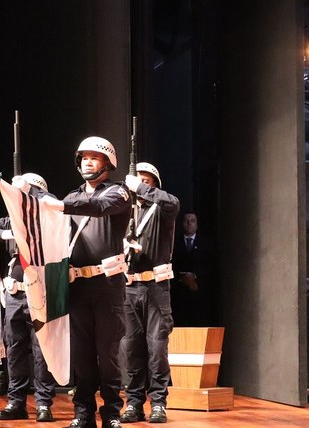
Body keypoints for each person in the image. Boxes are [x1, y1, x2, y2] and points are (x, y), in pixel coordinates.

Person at [42, 136, 131, 428]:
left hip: (107, 285)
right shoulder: (70, 198)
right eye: (84, 157)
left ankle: (112, 414)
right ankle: (83, 412)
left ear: (108, 163)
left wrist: (59, 204)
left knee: (107, 354)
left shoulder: (119, 193)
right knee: (81, 354)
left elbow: (100, 206)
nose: (87, 162)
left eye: (94, 157)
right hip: (78, 285)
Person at [119, 162, 180, 424]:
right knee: (131, 348)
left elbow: (173, 202)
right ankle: (133, 402)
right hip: (129, 285)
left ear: (153, 184)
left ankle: (159, 403)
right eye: (137, 180)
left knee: (157, 347)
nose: (141, 185)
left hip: (156, 286)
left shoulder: (161, 209)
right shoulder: (123, 211)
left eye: (147, 180)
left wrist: (140, 187)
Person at [0, 173, 57, 423]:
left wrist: (30, 191)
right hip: (14, 294)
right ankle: (16, 401)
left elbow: (49, 203)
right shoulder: (13, 220)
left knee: (42, 351)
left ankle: (43, 403)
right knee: (16, 350)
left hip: (39, 292)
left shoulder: (46, 214)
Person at [170, 212, 214, 327]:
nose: (189, 224)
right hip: (179, 292)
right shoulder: (174, 243)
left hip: (199, 293)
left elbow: (210, 264)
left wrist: (194, 276)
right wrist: (183, 277)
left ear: (197, 225)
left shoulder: (206, 243)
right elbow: (171, 264)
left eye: (192, 221)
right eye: (186, 221)